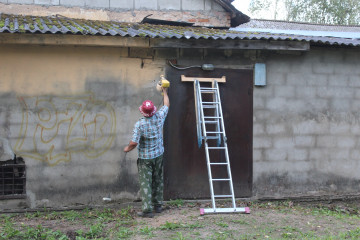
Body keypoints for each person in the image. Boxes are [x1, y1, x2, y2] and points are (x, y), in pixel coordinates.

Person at [124, 87, 170, 218]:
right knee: (158, 179)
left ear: (143, 112)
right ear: (153, 110)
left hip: (145, 158)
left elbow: (134, 143)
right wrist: (165, 92)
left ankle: (147, 210)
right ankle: (158, 205)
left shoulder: (140, 125)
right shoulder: (159, 117)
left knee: (146, 182)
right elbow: (166, 104)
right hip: (159, 155)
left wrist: (127, 149)